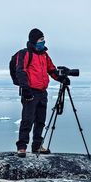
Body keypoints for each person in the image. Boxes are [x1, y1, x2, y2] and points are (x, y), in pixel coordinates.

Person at [15, 28, 69, 157]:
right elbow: (20, 71)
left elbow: (51, 70)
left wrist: (61, 78)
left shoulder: (44, 55)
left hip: (42, 92)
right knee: (27, 120)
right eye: (40, 40)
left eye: (43, 39)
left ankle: (37, 146)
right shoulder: (26, 54)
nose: (43, 42)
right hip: (30, 92)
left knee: (40, 120)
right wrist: (26, 90)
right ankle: (22, 147)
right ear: (34, 40)